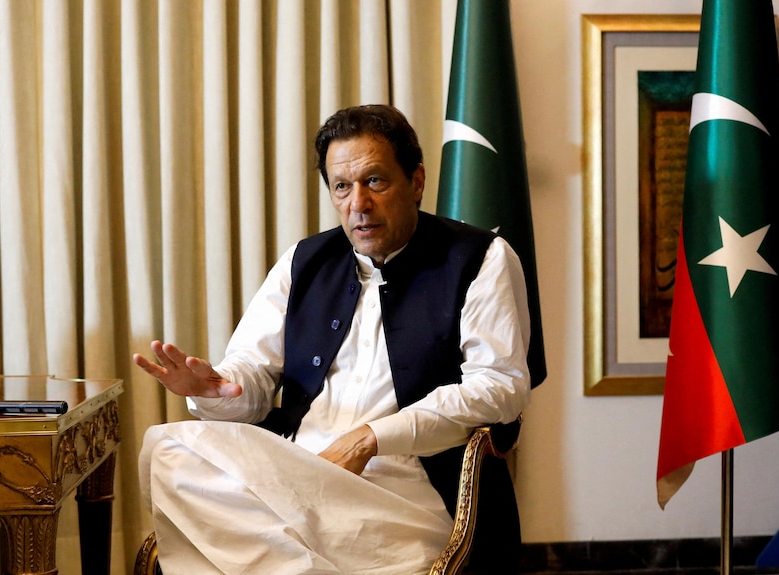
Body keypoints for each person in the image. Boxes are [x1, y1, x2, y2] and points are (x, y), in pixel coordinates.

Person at [135, 104, 531, 574]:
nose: (357, 204)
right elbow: (251, 380)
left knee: (223, 544)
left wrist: (370, 438)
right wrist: (216, 392)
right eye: (342, 187)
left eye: (375, 181)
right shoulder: (304, 261)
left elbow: (500, 388)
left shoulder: (480, 258)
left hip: (402, 494)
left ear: (417, 181)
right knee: (167, 447)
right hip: (298, 478)